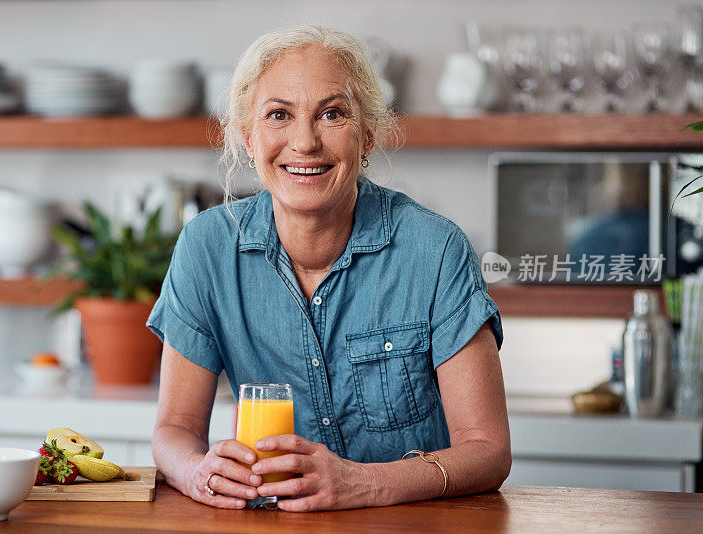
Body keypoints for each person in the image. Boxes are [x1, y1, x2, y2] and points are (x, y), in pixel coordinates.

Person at [148, 25, 509, 512]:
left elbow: (488, 451)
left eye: (332, 114)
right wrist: (197, 472)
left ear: (367, 138)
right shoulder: (207, 247)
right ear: (248, 139)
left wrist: (365, 483)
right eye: (279, 115)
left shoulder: (436, 250)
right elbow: (174, 430)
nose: (305, 141)